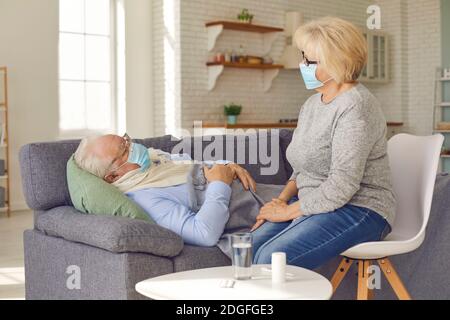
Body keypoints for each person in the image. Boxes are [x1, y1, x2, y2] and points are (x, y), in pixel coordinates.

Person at [251, 17, 396, 270]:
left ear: (337, 63)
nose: (301, 65)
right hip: (315, 204)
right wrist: (281, 201)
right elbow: (303, 168)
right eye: (303, 57)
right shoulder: (311, 104)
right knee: (248, 246)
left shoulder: (355, 107)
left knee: (271, 259)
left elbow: (342, 186)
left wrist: (287, 213)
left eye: (310, 61)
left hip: (361, 208)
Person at [73, 133, 276, 253]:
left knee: (304, 194)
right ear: (112, 176)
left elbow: (197, 165)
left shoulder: (155, 160)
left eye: (125, 140)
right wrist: (220, 184)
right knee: (305, 207)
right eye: (124, 150)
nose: (132, 146)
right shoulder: (146, 198)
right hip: (256, 212)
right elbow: (203, 234)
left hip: (259, 192)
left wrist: (227, 165)